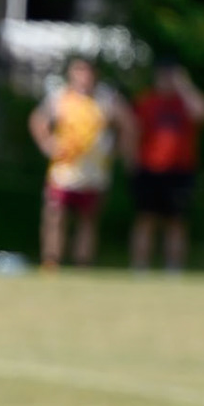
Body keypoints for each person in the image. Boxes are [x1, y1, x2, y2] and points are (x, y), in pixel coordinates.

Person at [29, 57, 137, 270]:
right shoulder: (60, 97)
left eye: (87, 72)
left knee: (88, 219)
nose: (84, 77)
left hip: (94, 171)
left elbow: (128, 124)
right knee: (56, 215)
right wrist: (48, 144)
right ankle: (51, 261)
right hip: (64, 169)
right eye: (79, 71)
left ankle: (83, 264)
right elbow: (37, 120)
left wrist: (120, 150)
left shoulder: (106, 99)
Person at [129, 62, 204, 272]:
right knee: (145, 219)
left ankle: (173, 269)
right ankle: (140, 268)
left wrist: (185, 85)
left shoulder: (185, 103)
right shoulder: (146, 101)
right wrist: (131, 162)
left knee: (177, 221)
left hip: (180, 170)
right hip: (149, 169)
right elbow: (133, 133)